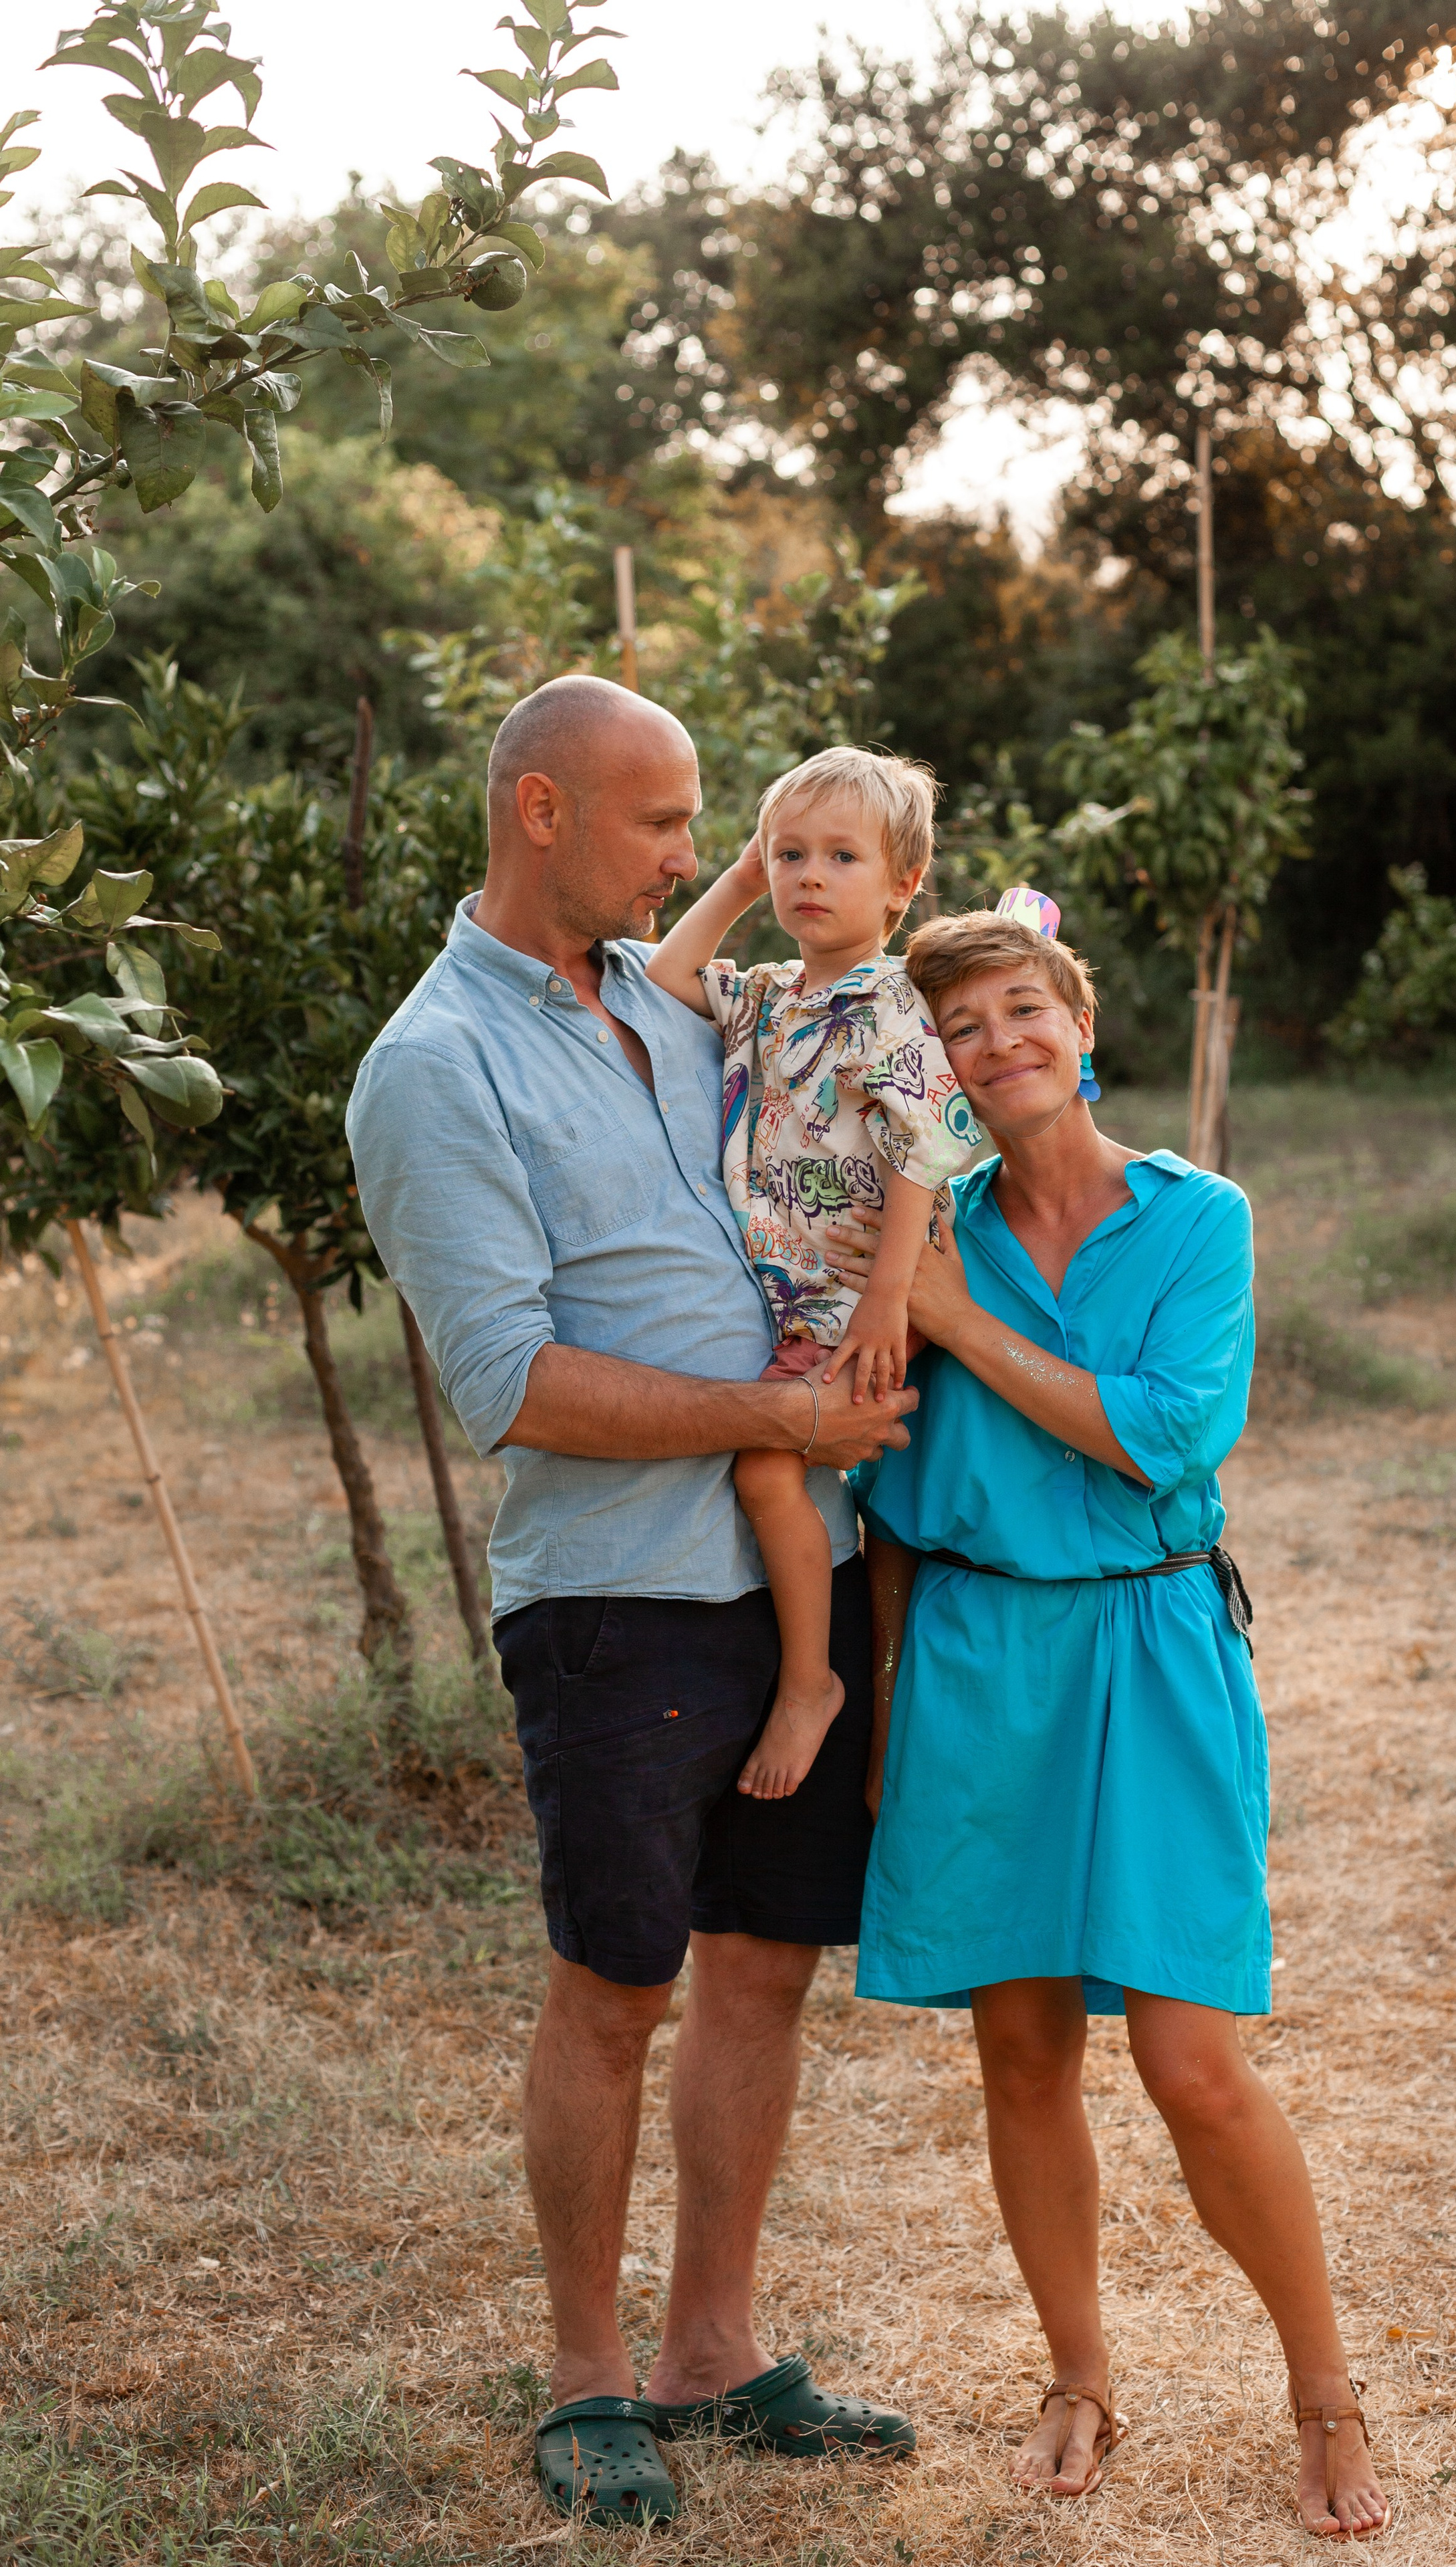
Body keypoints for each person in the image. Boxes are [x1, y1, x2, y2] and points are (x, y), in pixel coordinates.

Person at [346, 677, 921, 2530]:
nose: (706, 858)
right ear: (538, 812)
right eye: (671, 824)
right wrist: (774, 1414)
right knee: (618, 1983)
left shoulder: (673, 1008)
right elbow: (504, 1381)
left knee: (764, 1968)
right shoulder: (437, 1067)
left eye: (713, 829)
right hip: (619, 1604)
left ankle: (714, 2348)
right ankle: (590, 2377)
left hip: (797, 1574)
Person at [826, 900, 1392, 2541]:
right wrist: (872, 1724)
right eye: (959, 1028)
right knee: (1017, 2051)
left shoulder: (1194, 1219)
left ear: (1081, 1027)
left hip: (1151, 1644)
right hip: (975, 1653)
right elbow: (891, 1509)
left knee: (1190, 2061)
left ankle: (1321, 2390)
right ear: (928, 1073)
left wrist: (947, 1317)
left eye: (1022, 1011)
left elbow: (1158, 1434)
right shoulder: (912, 1233)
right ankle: (1076, 2373)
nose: (995, 1044)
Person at [644, 746, 977, 1800]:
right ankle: (860, 1701)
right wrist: (737, 882)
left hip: (864, 1297)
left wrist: (889, 1301)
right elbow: (662, 979)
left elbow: (930, 1146)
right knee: (813, 1487)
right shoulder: (773, 994)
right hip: (807, 1298)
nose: (809, 876)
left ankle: (810, 1683)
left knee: (765, 1467)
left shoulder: (892, 1003)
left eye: (841, 856)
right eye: (790, 854)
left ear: (903, 885)